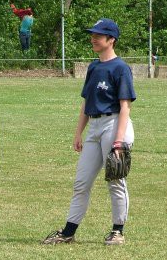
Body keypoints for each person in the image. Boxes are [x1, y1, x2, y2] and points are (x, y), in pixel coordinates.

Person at [42, 18, 136, 246]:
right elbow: (86, 103)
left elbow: (125, 106)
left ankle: (117, 231)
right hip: (94, 127)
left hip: (114, 125)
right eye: (93, 34)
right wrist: (78, 134)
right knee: (81, 182)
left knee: (115, 180)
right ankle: (68, 232)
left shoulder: (120, 68)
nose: (94, 38)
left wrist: (118, 140)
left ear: (111, 39)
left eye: (99, 35)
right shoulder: (94, 67)